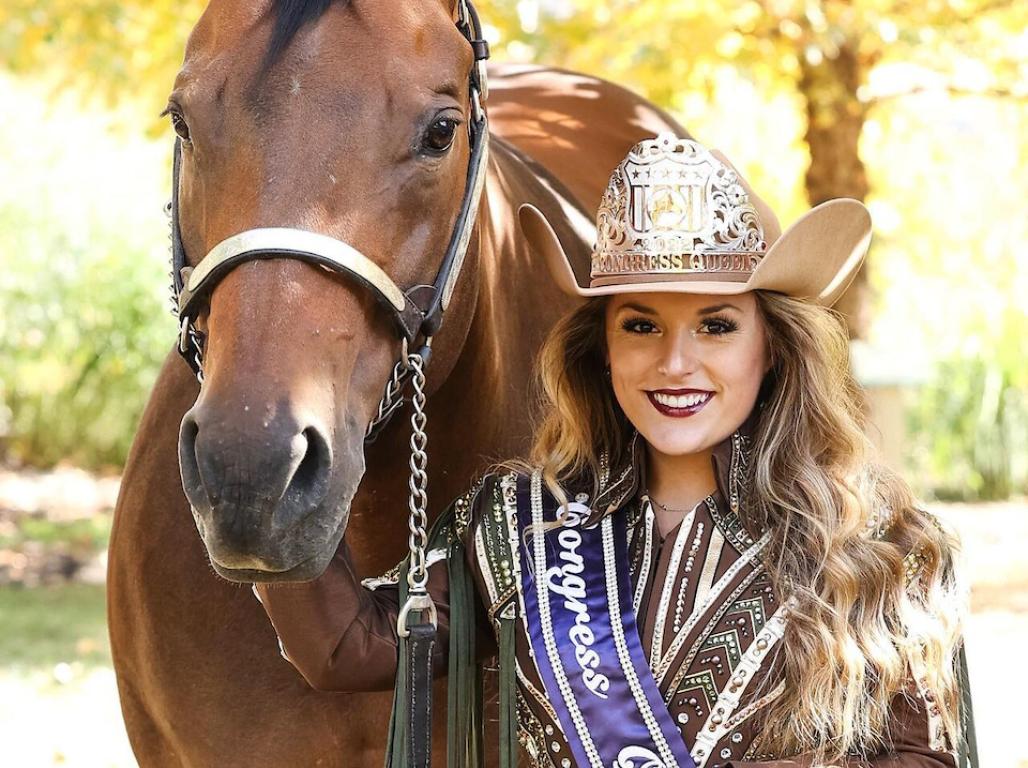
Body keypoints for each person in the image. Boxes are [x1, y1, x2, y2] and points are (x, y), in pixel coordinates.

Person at [253, 134, 976, 767]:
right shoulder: (520, 523)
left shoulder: (879, 540)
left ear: (774, 346)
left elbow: (925, 757)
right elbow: (349, 646)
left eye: (716, 326)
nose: (675, 363)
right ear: (602, 348)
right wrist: (266, 475)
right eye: (641, 326)